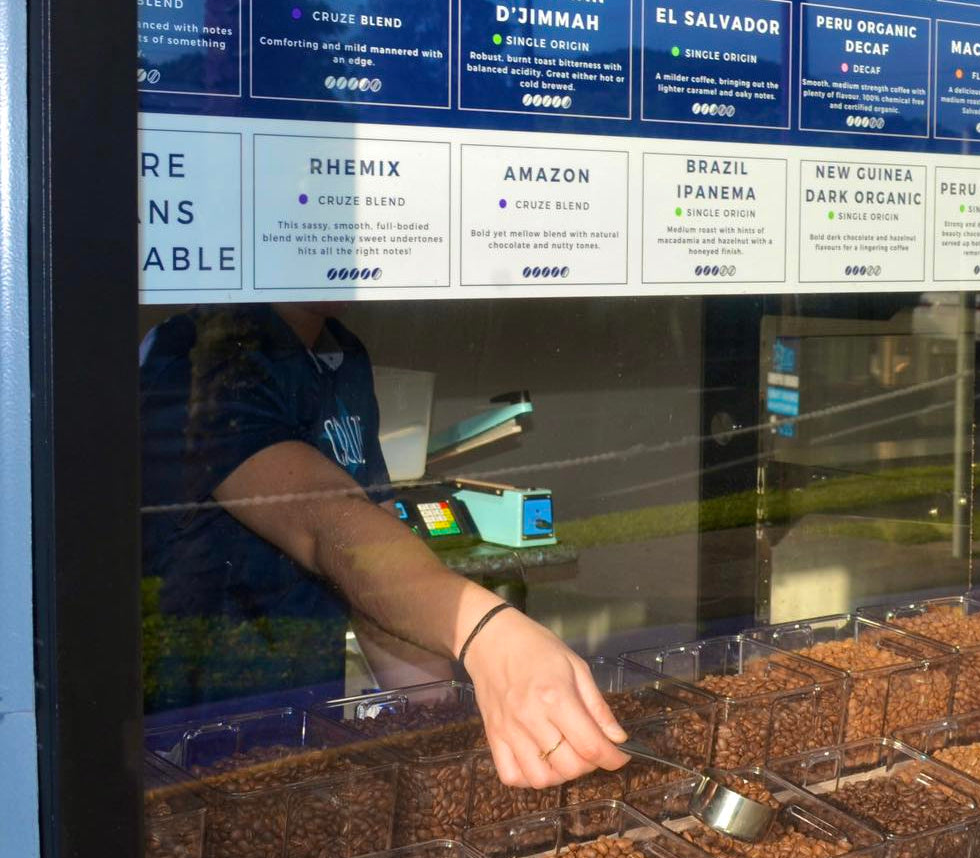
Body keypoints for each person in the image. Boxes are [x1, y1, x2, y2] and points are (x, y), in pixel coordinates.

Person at [140, 301, 628, 789]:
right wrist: (487, 633)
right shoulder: (194, 352)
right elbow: (327, 525)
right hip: (193, 734)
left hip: (306, 729)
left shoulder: (343, 354)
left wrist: (444, 733)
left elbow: (373, 551)